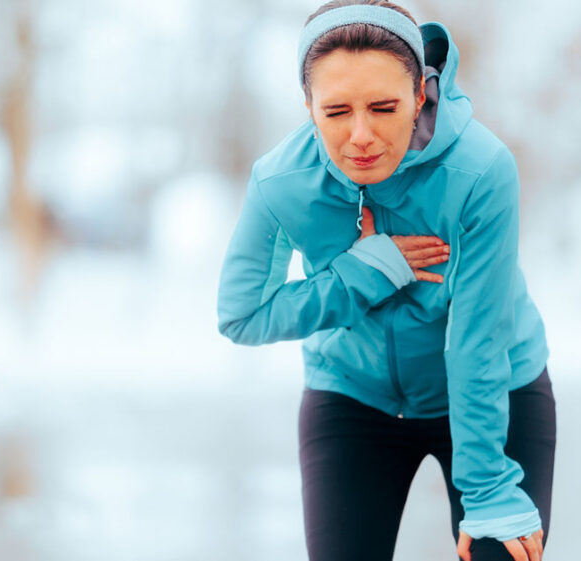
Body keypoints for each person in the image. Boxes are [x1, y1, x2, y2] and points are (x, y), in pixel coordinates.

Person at [216, 1, 556, 560]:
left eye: (383, 107)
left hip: (495, 390)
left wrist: (488, 486)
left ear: (421, 93)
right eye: (336, 111)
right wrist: (365, 274)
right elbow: (243, 314)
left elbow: (477, 340)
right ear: (308, 107)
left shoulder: (480, 171)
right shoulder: (281, 182)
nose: (361, 136)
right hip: (353, 395)